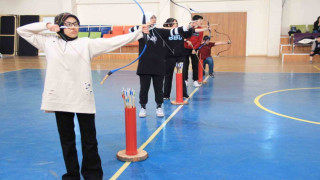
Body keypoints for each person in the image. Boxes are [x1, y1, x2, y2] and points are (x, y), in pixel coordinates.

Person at [17, 12, 148, 180]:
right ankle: (72, 175)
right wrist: (47, 25)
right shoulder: (48, 42)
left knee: (89, 140)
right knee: (67, 141)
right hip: (60, 99)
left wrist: (138, 33)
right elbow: (22, 30)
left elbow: (112, 41)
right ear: (60, 26)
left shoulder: (86, 43)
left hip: (82, 97)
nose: (73, 27)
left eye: (76, 24)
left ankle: (92, 175)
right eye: (69, 24)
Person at [130, 13, 193, 117]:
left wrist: (188, 26)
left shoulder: (160, 31)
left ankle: (159, 107)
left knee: (159, 88)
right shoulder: (140, 31)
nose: (153, 20)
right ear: (145, 19)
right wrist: (142, 27)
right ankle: (143, 107)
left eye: (154, 18)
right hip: (144, 65)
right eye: (151, 18)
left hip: (158, 64)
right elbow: (130, 31)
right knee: (144, 88)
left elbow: (174, 31)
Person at [183, 15, 204, 87]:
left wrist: (194, 49)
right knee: (185, 65)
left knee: (195, 65)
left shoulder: (201, 29)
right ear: (194, 21)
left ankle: (195, 80)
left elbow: (199, 41)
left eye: (202, 21)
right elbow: (184, 37)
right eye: (200, 20)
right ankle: (185, 80)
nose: (201, 22)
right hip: (185, 48)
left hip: (194, 49)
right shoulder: (188, 27)